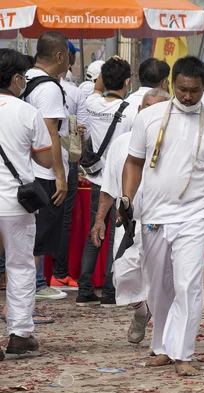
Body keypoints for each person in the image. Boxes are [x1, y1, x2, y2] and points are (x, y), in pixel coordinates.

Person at [123, 56, 204, 376]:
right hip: (155, 212)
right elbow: (133, 162)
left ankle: (183, 353)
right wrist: (127, 198)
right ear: (171, 84)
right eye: (182, 89)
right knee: (159, 285)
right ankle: (161, 346)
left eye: (195, 91)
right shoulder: (149, 117)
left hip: (196, 214)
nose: (188, 96)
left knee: (188, 284)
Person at [90, 88, 171, 343]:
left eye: (158, 109)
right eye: (147, 108)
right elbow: (109, 186)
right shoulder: (121, 143)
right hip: (129, 222)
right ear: (139, 110)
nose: (151, 114)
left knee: (162, 279)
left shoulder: (176, 141)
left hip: (165, 220)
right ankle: (141, 312)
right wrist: (100, 219)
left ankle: (164, 339)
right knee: (123, 276)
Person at [0, 48, 54, 358]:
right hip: (15, 204)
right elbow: (45, 157)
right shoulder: (26, 111)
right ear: (17, 78)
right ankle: (19, 334)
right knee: (19, 266)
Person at [76, 57, 138, 307]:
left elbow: (96, 89)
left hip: (96, 179)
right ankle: (111, 291)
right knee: (116, 235)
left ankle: (84, 288)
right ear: (127, 82)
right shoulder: (131, 109)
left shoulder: (91, 103)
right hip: (121, 181)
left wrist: (104, 72)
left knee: (96, 230)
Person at [24, 32, 71, 301]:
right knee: (37, 241)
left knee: (25, 240)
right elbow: (51, 132)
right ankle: (29, 294)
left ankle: (27, 294)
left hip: (24, 170)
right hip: (44, 174)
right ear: (59, 55)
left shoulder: (24, 79)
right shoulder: (51, 88)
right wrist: (60, 175)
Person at [50, 54, 91, 290]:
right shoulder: (74, 92)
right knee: (63, 219)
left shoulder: (29, 87)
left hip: (36, 160)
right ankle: (59, 272)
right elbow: (82, 128)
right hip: (66, 160)